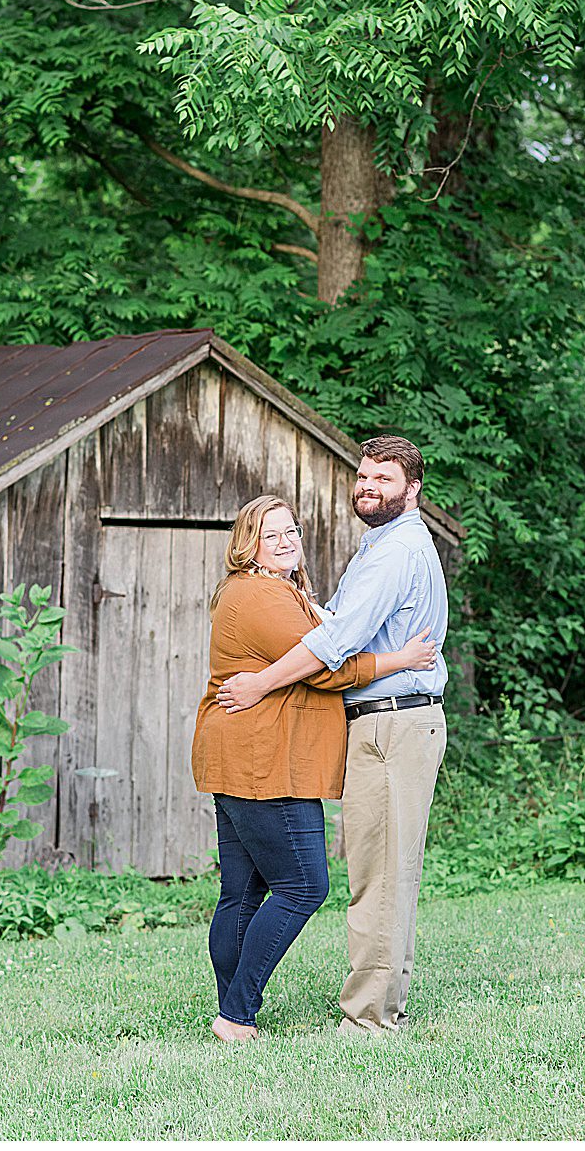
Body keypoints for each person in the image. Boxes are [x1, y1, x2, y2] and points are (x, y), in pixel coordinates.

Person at [215, 436, 450, 1035]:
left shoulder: (396, 553)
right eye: (364, 475)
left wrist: (261, 682)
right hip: (374, 722)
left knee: (382, 875)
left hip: (394, 721)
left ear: (412, 490)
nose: (368, 486)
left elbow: (332, 648)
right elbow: (335, 624)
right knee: (363, 874)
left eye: (384, 479)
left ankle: (371, 1015)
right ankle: (239, 1012)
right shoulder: (375, 548)